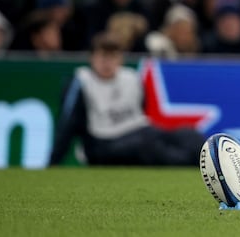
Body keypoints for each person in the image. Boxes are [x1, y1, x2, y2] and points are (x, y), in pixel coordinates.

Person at [49, 31, 205, 166]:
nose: (107, 63)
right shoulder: (82, 81)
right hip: (103, 141)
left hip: (138, 130)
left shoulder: (130, 78)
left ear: (120, 59)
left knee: (188, 135)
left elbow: (141, 110)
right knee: (147, 146)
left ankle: (207, 163)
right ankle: (190, 165)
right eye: (102, 56)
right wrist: (53, 162)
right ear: (92, 58)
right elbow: (67, 124)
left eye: (112, 56)